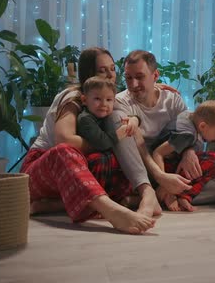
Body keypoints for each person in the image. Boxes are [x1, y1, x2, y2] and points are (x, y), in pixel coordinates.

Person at [21, 47, 159, 235]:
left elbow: (129, 114)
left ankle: (53, 205)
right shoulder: (74, 96)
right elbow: (65, 139)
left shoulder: (107, 97)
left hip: (72, 178)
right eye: (103, 70)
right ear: (88, 74)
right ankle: (112, 210)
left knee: (111, 156)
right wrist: (107, 141)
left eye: (112, 69)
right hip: (43, 169)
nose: (111, 75)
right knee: (65, 151)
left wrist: (135, 119)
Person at [111, 50, 215, 209]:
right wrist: (162, 179)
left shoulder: (172, 100)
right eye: (128, 78)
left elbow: (189, 131)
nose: (133, 84)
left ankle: (160, 196)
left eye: (140, 77)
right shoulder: (121, 102)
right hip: (142, 169)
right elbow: (136, 148)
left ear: (155, 75)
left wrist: (189, 151)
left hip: (172, 164)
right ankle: (161, 194)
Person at [152, 100, 215, 212]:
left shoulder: (192, 122)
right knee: (214, 159)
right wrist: (165, 183)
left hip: (177, 168)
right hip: (167, 168)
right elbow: (157, 153)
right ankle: (178, 195)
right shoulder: (186, 135)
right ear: (203, 126)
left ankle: (179, 195)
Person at [77, 77, 139, 151]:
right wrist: (119, 134)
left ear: (114, 102)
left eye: (108, 100)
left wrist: (134, 119)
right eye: (97, 99)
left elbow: (128, 114)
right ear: (84, 100)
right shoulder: (85, 119)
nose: (104, 104)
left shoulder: (104, 113)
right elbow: (101, 143)